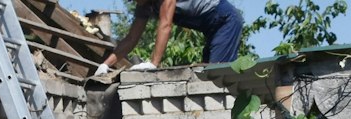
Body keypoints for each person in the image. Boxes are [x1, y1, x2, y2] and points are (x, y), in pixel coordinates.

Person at [92, 0, 246, 74]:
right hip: (212, 30)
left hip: (226, 21)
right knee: (207, 76)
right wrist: (105, 65)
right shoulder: (143, 6)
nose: (135, 1)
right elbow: (132, 38)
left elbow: (165, 26)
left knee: (217, 76)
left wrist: (153, 63)